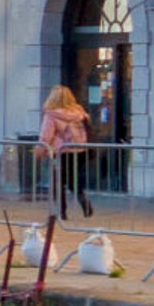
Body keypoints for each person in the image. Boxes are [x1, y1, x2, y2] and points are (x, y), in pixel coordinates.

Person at [38, 82, 95, 218]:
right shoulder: (80, 113)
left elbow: (46, 136)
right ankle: (85, 204)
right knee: (72, 180)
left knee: (57, 183)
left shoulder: (52, 115)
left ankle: (61, 212)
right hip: (80, 152)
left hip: (61, 152)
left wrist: (40, 151)